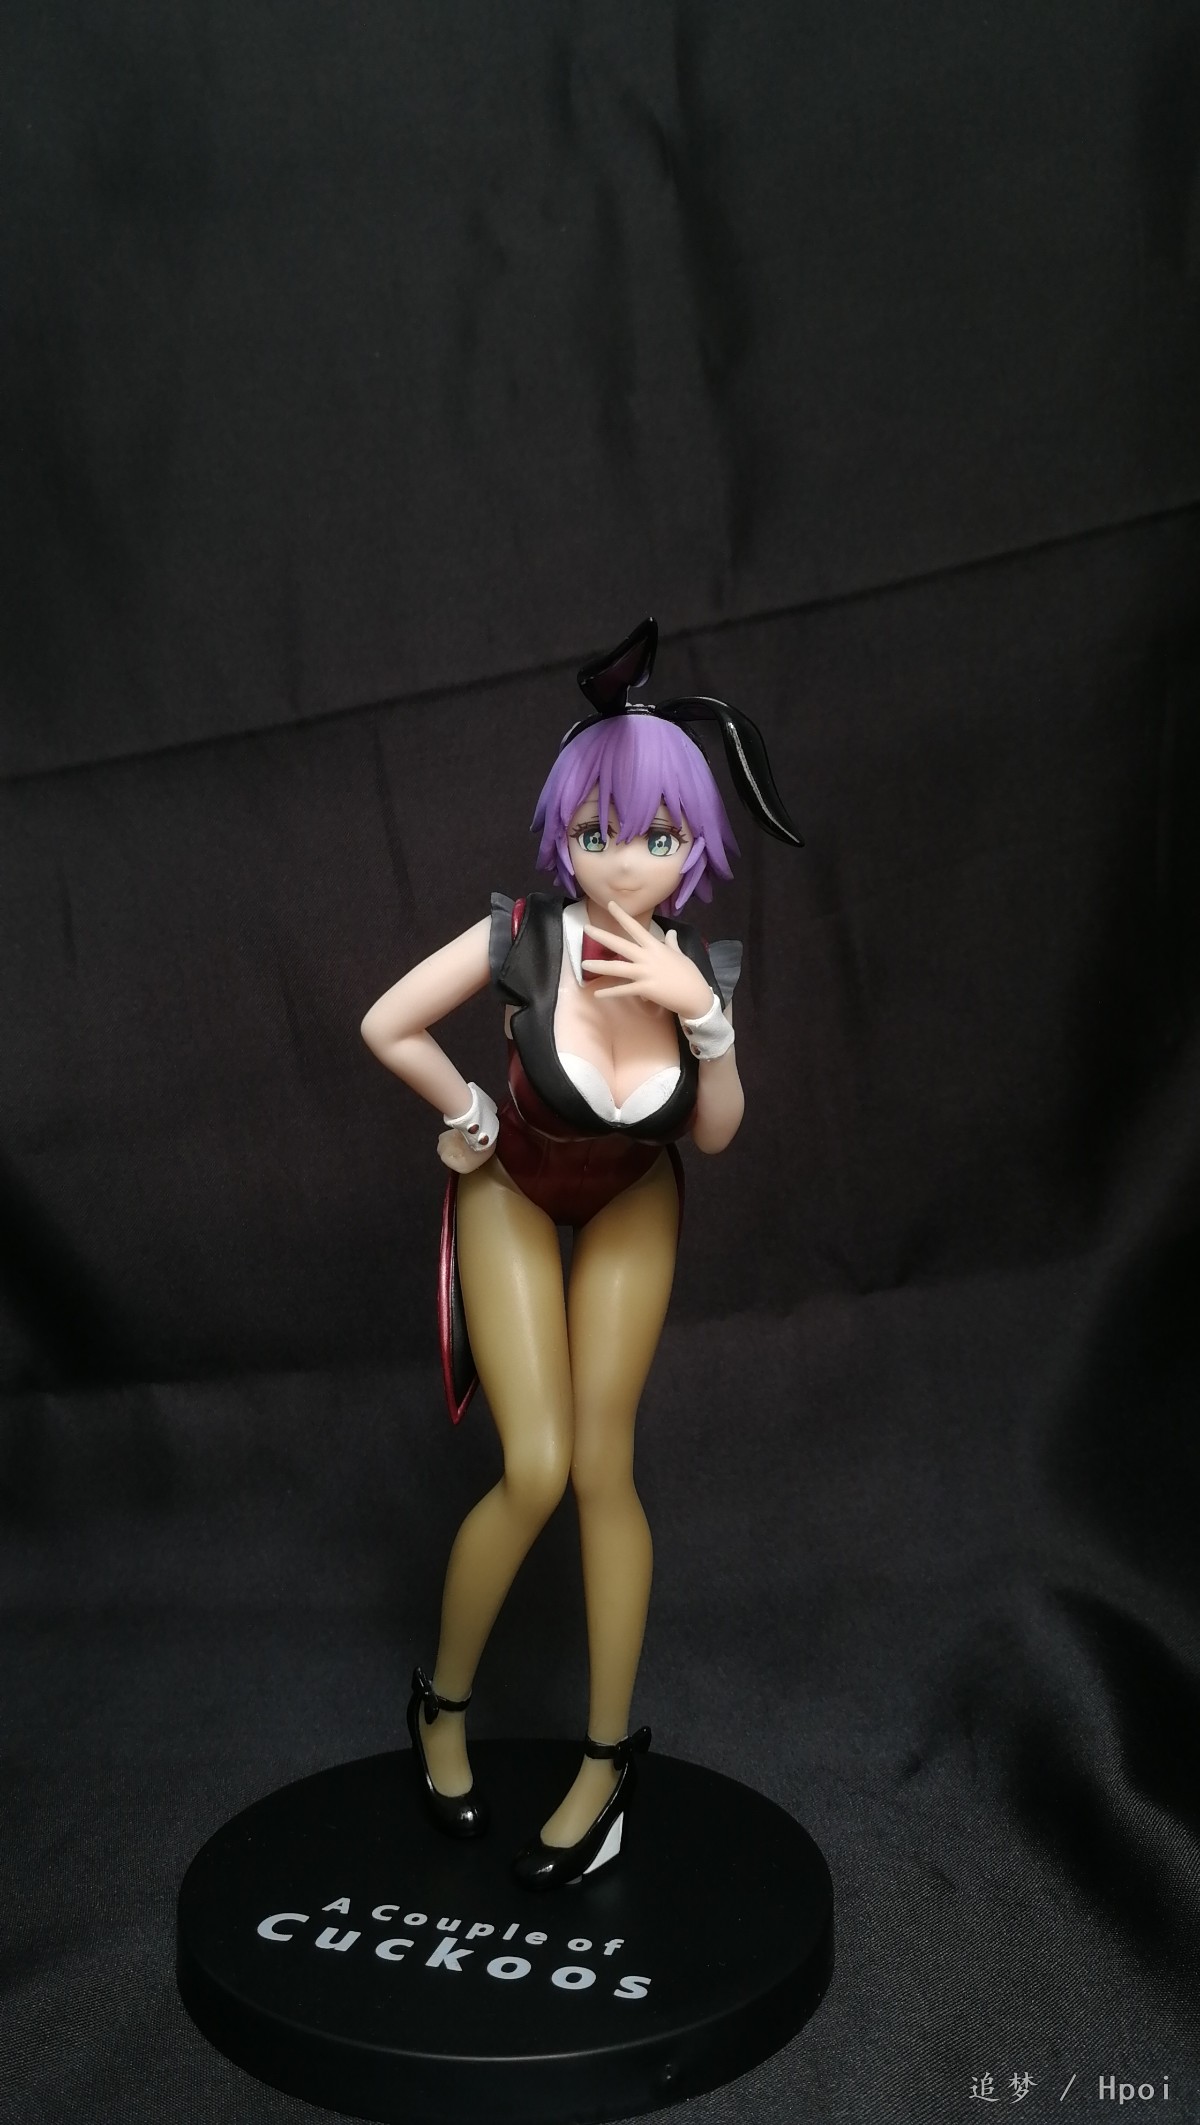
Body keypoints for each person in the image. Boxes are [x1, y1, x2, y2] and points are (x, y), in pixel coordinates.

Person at [360, 618, 799, 1889]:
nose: (625, 861)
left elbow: (714, 1137)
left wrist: (707, 1022)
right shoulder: (523, 933)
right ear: (565, 833)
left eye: (658, 838)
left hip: (631, 1195)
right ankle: (441, 1704)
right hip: (514, 1177)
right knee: (536, 1464)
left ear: (694, 846)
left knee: (606, 1469)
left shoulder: (697, 968)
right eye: (599, 832)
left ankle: (607, 1762)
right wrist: (465, 1109)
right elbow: (387, 1022)